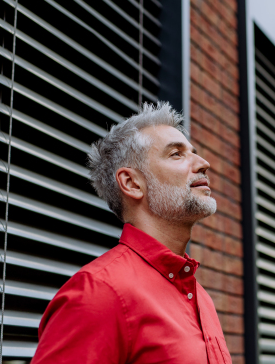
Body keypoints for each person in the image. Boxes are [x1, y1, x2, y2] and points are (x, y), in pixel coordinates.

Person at [31, 102, 232, 363]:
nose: (203, 163)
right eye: (176, 154)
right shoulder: (98, 293)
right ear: (132, 183)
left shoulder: (200, 298)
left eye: (194, 152)